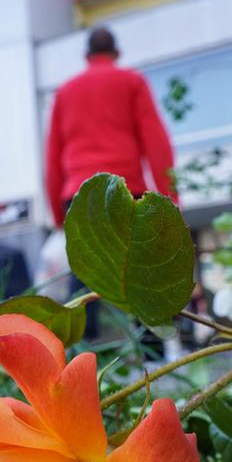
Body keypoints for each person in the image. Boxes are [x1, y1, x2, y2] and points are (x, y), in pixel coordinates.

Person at [44, 26, 178, 338]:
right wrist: (170, 198)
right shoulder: (131, 82)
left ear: (86, 56)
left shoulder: (65, 93)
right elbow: (156, 141)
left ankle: (82, 350)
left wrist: (56, 213)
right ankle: (153, 352)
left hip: (78, 194)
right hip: (125, 188)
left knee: (85, 270)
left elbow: (52, 157)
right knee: (140, 267)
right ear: (116, 53)